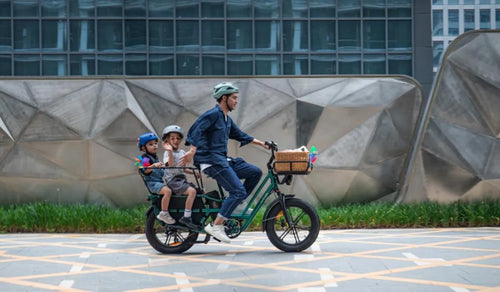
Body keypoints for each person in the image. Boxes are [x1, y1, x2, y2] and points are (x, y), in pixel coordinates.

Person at [180, 82, 269, 243]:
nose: (236, 101)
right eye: (234, 98)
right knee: (238, 191)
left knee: (254, 172)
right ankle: (216, 225)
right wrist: (192, 151)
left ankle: (237, 204)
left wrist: (263, 143)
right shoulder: (213, 114)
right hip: (210, 160)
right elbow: (196, 129)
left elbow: (240, 135)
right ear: (224, 98)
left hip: (222, 159)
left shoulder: (226, 119)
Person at [161, 125, 202, 231]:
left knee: (199, 191)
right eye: (172, 138)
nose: (175, 140)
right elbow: (169, 165)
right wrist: (169, 151)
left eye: (178, 138)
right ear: (167, 140)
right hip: (173, 181)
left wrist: (194, 173)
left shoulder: (182, 152)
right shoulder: (167, 153)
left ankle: (196, 216)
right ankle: (186, 217)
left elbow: (182, 168)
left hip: (181, 179)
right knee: (192, 192)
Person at [137, 132, 175, 225]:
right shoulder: (144, 158)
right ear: (143, 148)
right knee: (167, 191)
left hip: (159, 182)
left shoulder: (155, 157)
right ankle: (164, 213)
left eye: (155, 143)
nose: (154, 146)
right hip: (153, 184)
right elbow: (145, 170)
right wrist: (153, 166)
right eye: (150, 144)